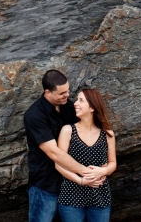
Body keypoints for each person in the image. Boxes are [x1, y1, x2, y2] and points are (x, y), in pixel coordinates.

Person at [24, 70, 107, 222]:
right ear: (47, 92)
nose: (67, 95)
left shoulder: (68, 106)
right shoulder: (34, 115)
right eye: (62, 93)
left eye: (68, 90)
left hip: (70, 184)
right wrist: (86, 174)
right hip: (46, 185)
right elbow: (54, 153)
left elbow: (87, 126)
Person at [55, 89, 116, 222]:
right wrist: (81, 180)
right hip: (71, 196)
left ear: (92, 107)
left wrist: (104, 170)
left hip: (100, 196)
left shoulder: (108, 133)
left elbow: (113, 163)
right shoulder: (68, 130)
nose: (75, 103)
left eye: (81, 100)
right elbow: (58, 164)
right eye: (76, 100)